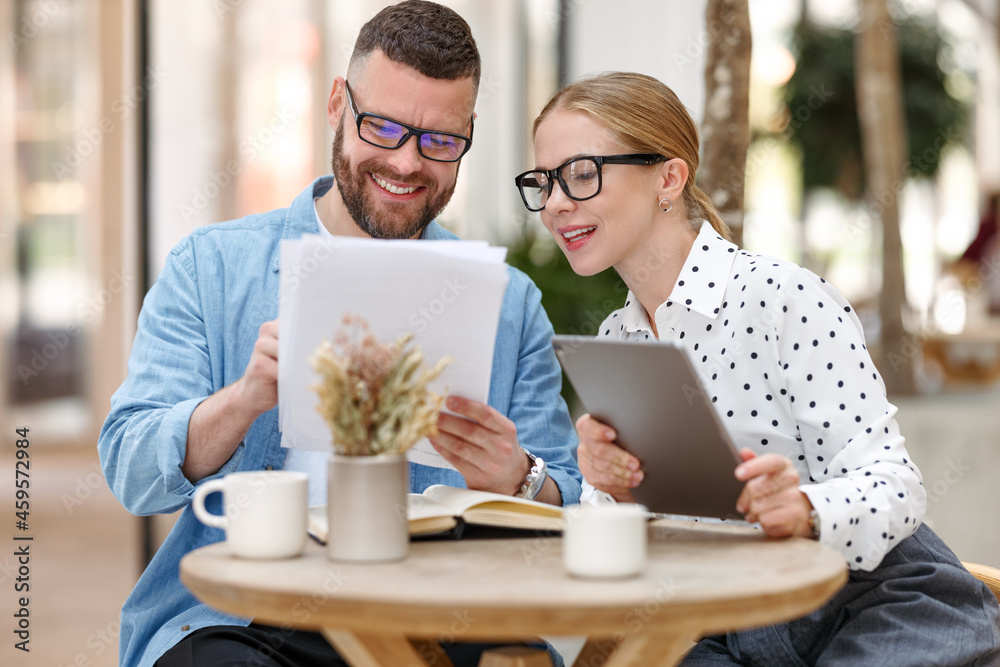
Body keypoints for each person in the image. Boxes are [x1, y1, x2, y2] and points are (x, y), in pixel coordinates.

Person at [99, 3, 581, 666]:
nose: (407, 163)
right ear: (336, 105)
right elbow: (131, 470)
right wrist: (241, 400)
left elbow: (571, 504)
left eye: (439, 141)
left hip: (436, 623)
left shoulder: (510, 304)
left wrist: (520, 479)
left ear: (468, 135)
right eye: (382, 127)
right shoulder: (211, 267)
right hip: (243, 622)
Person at [514, 71, 1000, 665]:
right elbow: (630, 555)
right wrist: (613, 491)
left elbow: (897, 487)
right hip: (726, 624)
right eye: (544, 182)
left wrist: (804, 509)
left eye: (582, 174)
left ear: (668, 177)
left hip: (872, 599)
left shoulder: (784, 298)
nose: (556, 203)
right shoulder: (620, 338)